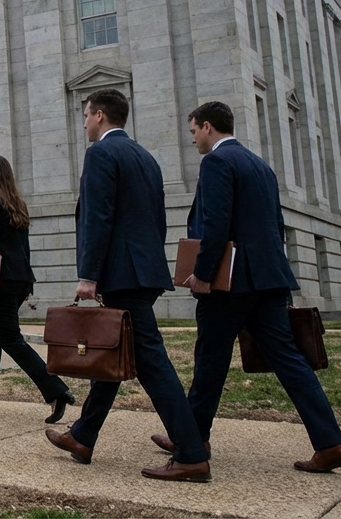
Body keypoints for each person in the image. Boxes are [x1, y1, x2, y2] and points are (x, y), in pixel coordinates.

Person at [158, 101, 341, 472]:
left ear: (207, 126)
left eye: (193, 132)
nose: (193, 140)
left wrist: (201, 273)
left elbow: (215, 223)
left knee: (210, 361)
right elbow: (274, 224)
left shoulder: (217, 162)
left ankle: (193, 441)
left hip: (230, 282)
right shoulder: (260, 165)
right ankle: (332, 443)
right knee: (290, 360)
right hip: (268, 278)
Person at [45, 89, 212, 482]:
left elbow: (98, 217)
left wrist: (88, 274)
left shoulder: (101, 154)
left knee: (152, 363)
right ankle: (83, 436)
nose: (84, 123)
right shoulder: (146, 157)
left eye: (86, 116)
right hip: (143, 269)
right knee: (114, 350)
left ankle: (191, 452)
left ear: (100, 116)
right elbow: (156, 219)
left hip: (121, 271)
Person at [0, 155, 74, 423]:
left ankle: (57, 390)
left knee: (10, 339)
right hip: (17, 279)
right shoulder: (16, 204)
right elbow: (24, 249)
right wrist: (27, 285)